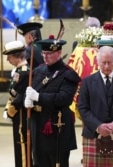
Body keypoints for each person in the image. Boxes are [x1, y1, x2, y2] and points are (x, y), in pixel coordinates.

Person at [24, 34, 81, 167]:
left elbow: (64, 98)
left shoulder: (68, 74)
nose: (45, 56)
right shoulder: (38, 71)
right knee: (38, 161)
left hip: (56, 128)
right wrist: (28, 102)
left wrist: (38, 97)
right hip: (38, 126)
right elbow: (32, 91)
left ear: (59, 52)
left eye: (49, 53)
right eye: (44, 53)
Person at [78, 45, 113, 167]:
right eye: (103, 63)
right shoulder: (87, 82)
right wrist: (98, 126)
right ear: (97, 62)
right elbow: (82, 108)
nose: (107, 66)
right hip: (93, 135)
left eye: (110, 62)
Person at [2, 40, 29, 167]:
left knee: (22, 146)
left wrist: (9, 111)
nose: (7, 59)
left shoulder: (23, 72)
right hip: (18, 115)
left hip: (21, 116)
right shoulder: (19, 70)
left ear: (17, 56)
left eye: (9, 56)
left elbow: (18, 97)